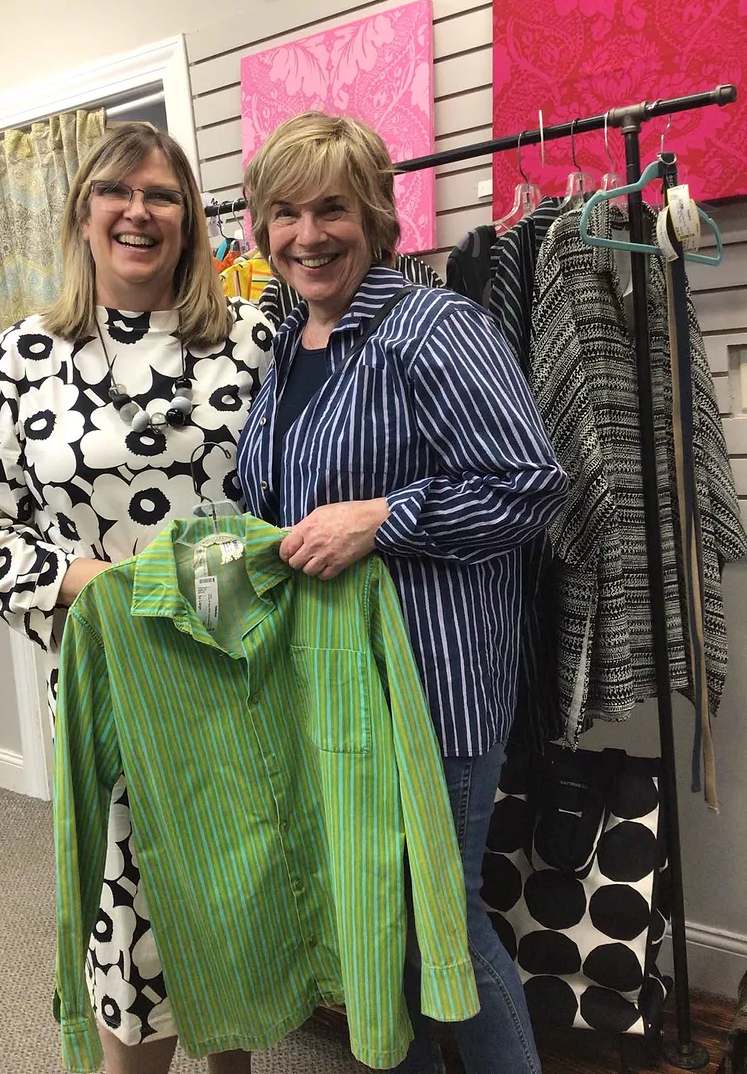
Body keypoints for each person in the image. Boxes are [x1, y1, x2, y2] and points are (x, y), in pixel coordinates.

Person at [236, 112, 568, 1074]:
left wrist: (383, 517)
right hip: (336, 685)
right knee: (382, 919)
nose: (308, 236)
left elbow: (529, 487)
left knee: (438, 922)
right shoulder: (289, 344)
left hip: (434, 686)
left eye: (331, 209)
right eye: (286, 213)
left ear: (376, 217)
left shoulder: (435, 328)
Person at [0, 122, 273, 1074]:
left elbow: (292, 494)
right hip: (107, 682)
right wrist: (93, 581)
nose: (139, 211)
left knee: (236, 897)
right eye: (117, 192)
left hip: (237, 667)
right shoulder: (23, 357)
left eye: (162, 194)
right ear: (82, 214)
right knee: (133, 920)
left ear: (191, 218)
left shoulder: (252, 340)